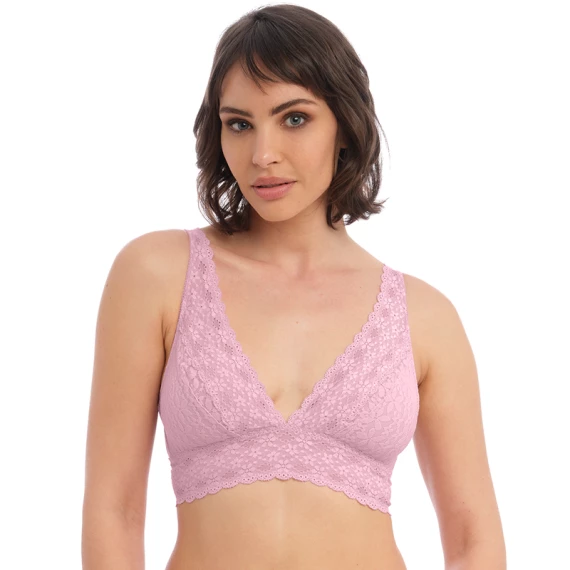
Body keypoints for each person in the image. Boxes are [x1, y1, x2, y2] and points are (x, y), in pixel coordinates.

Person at [81, 4, 506, 569]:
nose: (263, 155)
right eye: (240, 124)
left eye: (295, 118)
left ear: (345, 125)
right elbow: (114, 509)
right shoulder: (158, 274)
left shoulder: (424, 317)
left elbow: (473, 535)